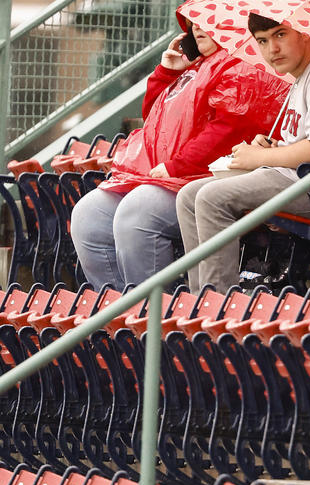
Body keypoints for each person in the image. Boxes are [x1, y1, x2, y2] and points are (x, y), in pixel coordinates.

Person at [70, 14, 288, 288]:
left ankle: (155, 320)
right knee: (89, 214)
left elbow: (229, 129)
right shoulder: (196, 65)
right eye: (194, 21)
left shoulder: (244, 65)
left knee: (138, 213)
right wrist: (167, 73)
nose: (197, 26)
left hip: (210, 179)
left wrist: (176, 166)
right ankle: (123, 318)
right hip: (170, 177)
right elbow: (155, 118)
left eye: (209, 18)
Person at [175, 13, 310, 290]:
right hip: (300, 177)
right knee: (189, 196)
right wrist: (271, 147)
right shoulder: (302, 74)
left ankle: (218, 305)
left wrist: (259, 157)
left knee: (213, 197)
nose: (272, 49)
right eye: (262, 40)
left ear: (305, 32)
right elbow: (305, 142)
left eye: (280, 35)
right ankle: (200, 298)